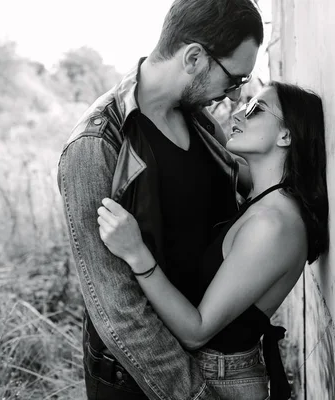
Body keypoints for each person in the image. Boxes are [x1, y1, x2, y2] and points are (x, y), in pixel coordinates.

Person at [57, 0, 264, 398]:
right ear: (193, 57)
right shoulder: (96, 145)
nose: (235, 96)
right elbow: (117, 312)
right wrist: (197, 392)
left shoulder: (199, 118)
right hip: (144, 380)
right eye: (235, 79)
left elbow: (246, 185)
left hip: (211, 358)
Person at [96, 82, 329, 400]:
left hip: (223, 382)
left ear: (286, 135)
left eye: (254, 109)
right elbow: (217, 150)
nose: (238, 112)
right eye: (241, 104)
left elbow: (196, 331)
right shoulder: (265, 195)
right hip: (218, 373)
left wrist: (136, 252)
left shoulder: (272, 224)